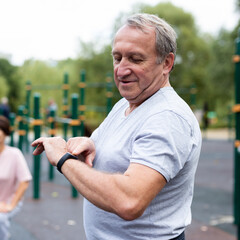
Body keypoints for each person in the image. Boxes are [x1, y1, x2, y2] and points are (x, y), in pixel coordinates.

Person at [31, 13, 201, 240]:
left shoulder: (167, 117)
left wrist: (63, 159)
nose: (121, 70)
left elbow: (130, 201)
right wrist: (89, 143)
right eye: (117, 58)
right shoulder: (127, 103)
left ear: (167, 63)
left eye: (136, 59)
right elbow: (109, 144)